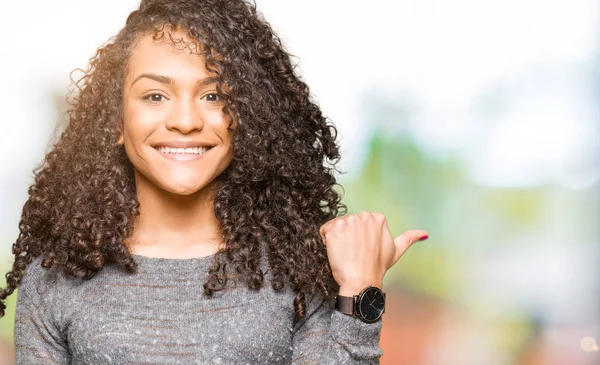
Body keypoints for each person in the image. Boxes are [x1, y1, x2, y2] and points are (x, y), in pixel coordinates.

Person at [0, 0, 429, 363]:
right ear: (116, 119)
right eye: (155, 96)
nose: (185, 121)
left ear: (245, 117)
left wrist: (361, 290)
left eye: (213, 96)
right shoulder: (55, 279)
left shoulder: (298, 269)